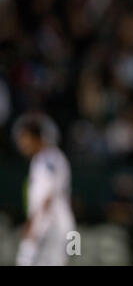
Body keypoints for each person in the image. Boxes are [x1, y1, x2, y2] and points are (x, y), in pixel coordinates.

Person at [13, 113, 75, 266]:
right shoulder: (46, 158)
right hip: (58, 225)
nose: (21, 143)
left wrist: (34, 228)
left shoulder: (47, 160)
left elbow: (47, 198)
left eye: (24, 137)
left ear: (37, 137)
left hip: (51, 228)